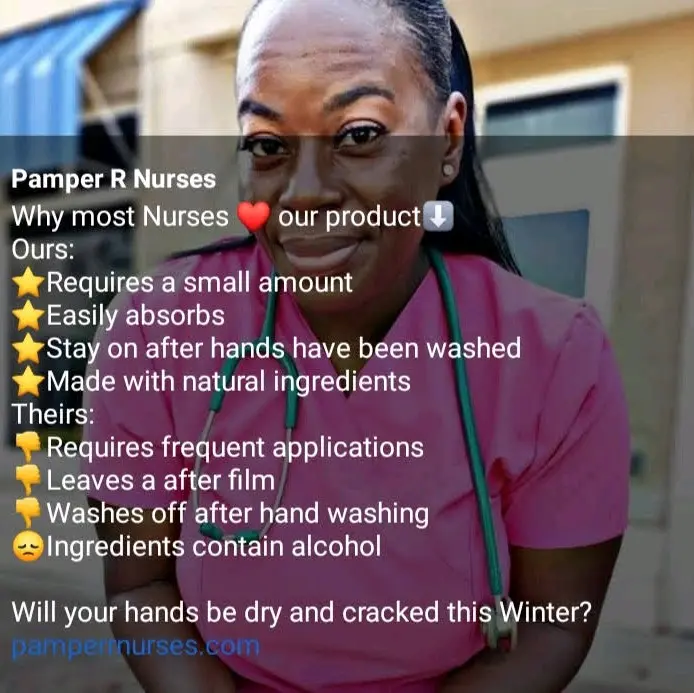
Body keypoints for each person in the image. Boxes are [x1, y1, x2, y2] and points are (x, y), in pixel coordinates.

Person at [82, 0, 631, 691]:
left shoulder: (554, 357)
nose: (304, 194)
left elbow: (555, 623)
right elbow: (140, 587)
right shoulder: (161, 328)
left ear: (447, 140)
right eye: (267, 144)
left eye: (360, 133)